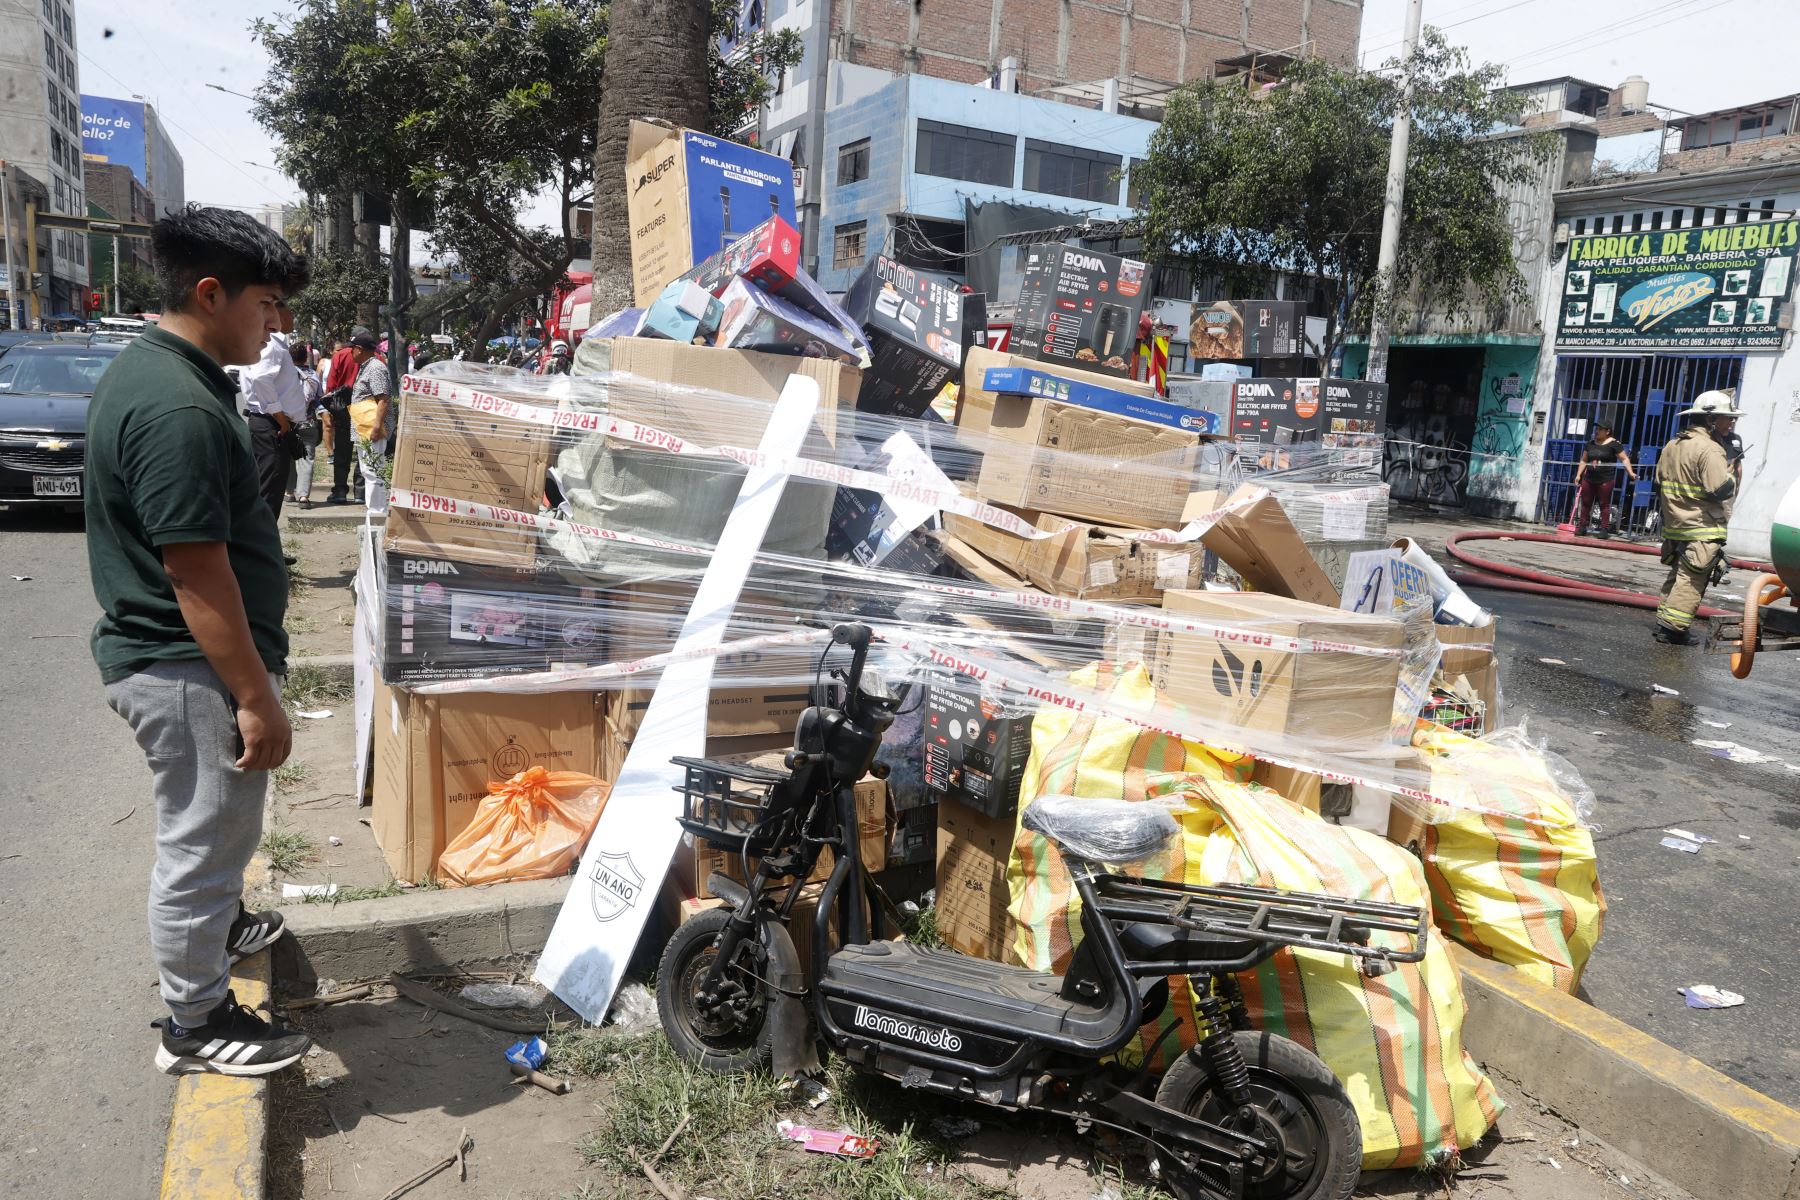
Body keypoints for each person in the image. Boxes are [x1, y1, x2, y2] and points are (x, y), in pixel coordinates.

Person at [83, 205, 313, 1076]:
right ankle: (196, 1019)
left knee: (218, 830)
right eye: (268, 303)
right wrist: (255, 697)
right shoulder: (177, 402)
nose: (278, 323)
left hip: (185, 660)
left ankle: (219, 926)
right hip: (186, 667)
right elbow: (197, 573)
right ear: (211, 293)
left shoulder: (170, 373)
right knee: (204, 837)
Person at [1652, 391, 1740, 645]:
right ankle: (1674, 630)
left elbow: (1659, 482)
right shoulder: (1711, 449)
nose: (1731, 423)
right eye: (1727, 418)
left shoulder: (1673, 444)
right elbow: (1717, 489)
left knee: (1678, 575)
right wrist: (1730, 476)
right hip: (1701, 527)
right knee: (1691, 580)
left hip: (1675, 525)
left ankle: (1664, 623)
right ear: (1711, 419)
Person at [240, 298, 307, 521]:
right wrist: (282, 419)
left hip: (271, 424)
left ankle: (266, 548)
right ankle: (262, 551)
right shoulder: (272, 343)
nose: (293, 319)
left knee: (270, 488)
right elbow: (261, 378)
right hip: (273, 425)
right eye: (291, 313)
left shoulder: (269, 342)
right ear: (280, 315)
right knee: (269, 490)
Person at [1572, 420, 1636, 538]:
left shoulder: (1614, 444)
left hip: (1605, 479)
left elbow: (1624, 459)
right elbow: (1584, 460)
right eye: (1597, 429)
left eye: (1600, 429)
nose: (1597, 431)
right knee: (1586, 503)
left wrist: (1631, 473)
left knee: (1604, 504)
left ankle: (1604, 530)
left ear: (1608, 431)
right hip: (1589, 478)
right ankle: (1582, 527)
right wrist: (1578, 475)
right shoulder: (1590, 444)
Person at [320, 332, 364, 504]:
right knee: (362, 450)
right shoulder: (375, 356)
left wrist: (330, 407)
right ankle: (360, 492)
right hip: (365, 407)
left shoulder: (340, 355)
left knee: (342, 451)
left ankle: (340, 491)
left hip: (343, 406)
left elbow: (332, 383)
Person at [288, 341, 325, 510]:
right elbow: (319, 399)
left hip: (288, 423)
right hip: (309, 422)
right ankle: (304, 496)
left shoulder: (285, 375)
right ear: (306, 358)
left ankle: (289, 492)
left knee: (287, 457)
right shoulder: (313, 376)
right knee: (307, 459)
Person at [347, 329, 392, 462]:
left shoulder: (375, 368)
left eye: (352, 348)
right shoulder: (366, 366)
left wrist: (376, 428)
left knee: (373, 471)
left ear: (359, 349)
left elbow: (383, 399)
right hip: (365, 427)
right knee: (368, 470)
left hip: (372, 429)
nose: (350, 352)